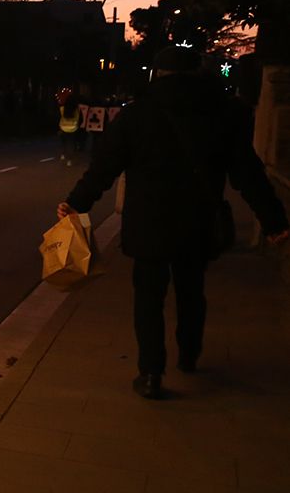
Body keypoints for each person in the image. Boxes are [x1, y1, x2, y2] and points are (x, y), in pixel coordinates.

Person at [58, 45, 288, 399]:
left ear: (157, 75)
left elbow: (103, 169)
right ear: (199, 74)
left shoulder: (137, 116)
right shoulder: (223, 115)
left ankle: (151, 372)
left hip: (148, 222)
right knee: (191, 290)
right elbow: (248, 174)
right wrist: (274, 221)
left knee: (148, 297)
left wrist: (76, 203)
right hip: (198, 220)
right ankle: (189, 353)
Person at [56, 87, 85, 166]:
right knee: (71, 144)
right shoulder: (77, 110)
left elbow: (58, 117)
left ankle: (63, 154)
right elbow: (81, 119)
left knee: (63, 142)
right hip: (73, 128)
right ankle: (69, 160)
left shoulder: (62, 108)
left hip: (63, 127)